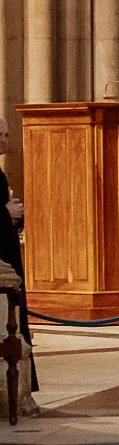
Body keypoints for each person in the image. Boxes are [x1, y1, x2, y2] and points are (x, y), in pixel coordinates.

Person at [0, 113, 38, 396]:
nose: (4, 141)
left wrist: (14, 214)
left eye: (6, 136)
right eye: (0, 136)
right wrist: (5, 213)